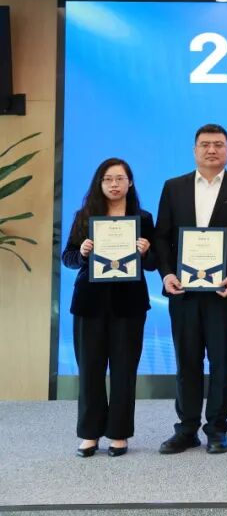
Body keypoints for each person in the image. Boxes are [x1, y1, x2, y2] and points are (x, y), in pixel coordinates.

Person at [154, 124, 227, 455]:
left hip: (223, 291)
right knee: (187, 361)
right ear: (194, 150)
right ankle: (186, 429)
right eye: (204, 144)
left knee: (222, 361)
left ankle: (217, 428)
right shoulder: (174, 187)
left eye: (218, 144)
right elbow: (161, 236)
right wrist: (167, 274)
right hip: (183, 291)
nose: (211, 150)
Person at [61, 158, 154, 458]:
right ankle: (89, 434)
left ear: (130, 182)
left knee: (124, 371)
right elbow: (68, 257)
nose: (114, 184)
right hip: (89, 304)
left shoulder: (143, 218)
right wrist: (82, 253)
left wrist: (146, 252)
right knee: (90, 370)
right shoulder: (85, 216)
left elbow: (154, 264)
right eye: (108, 179)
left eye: (120, 178)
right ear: (99, 183)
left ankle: (119, 434)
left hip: (129, 305)